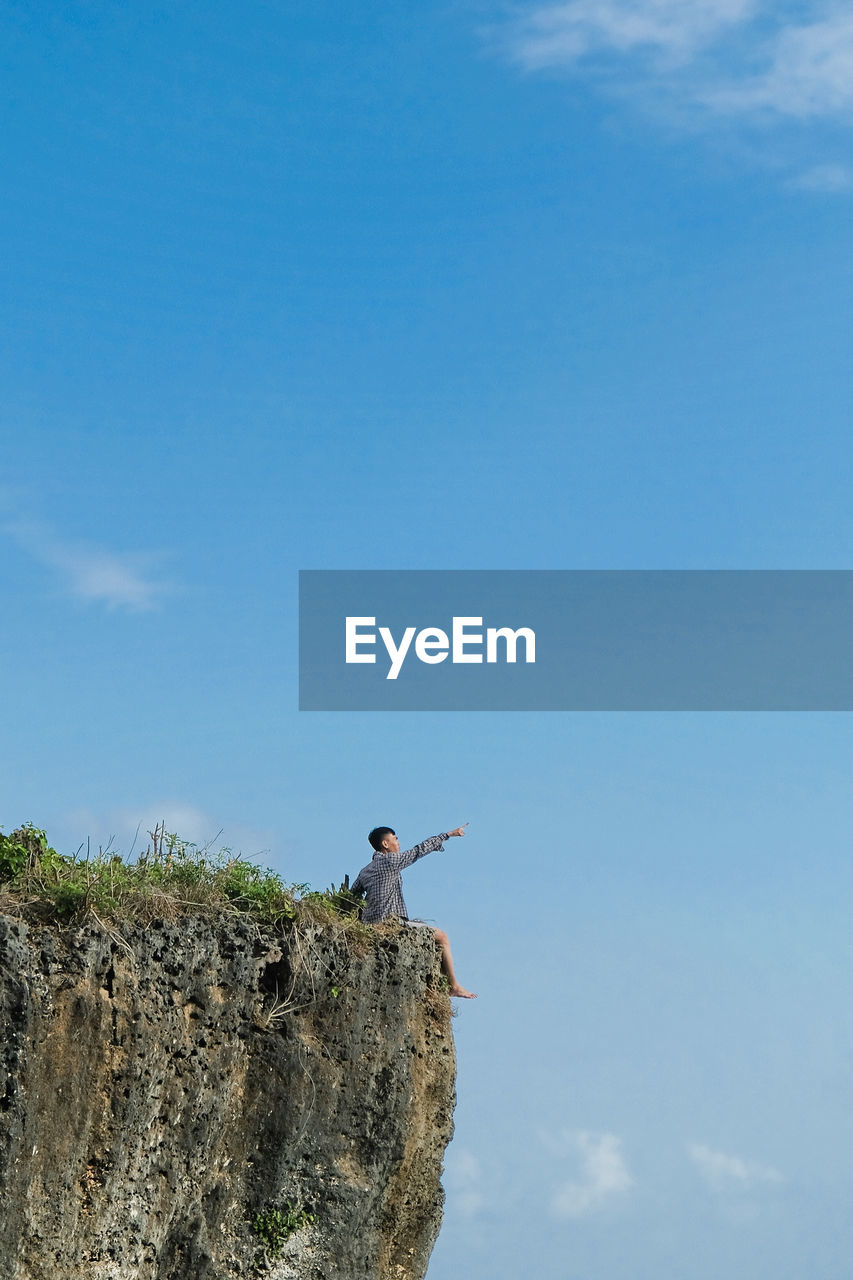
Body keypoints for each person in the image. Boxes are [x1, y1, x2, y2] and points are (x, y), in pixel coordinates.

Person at [351, 824, 477, 999]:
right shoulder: (391, 861)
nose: (399, 843)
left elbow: (351, 896)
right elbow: (420, 850)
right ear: (385, 844)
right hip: (392, 923)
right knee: (442, 937)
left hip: (369, 926)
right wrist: (448, 834)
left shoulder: (364, 871)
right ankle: (454, 986)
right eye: (395, 839)